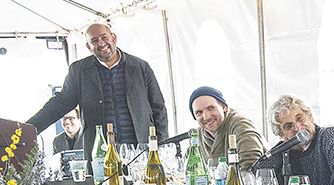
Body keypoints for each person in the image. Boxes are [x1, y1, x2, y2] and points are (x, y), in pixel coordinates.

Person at [28, 23, 167, 162]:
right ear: (89, 47)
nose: (101, 43)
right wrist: (28, 130)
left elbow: (158, 107)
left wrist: (163, 145)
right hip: (100, 153)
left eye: (104, 37)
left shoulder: (140, 67)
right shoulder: (78, 71)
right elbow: (59, 104)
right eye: (94, 41)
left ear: (114, 38)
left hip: (141, 149)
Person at [256, 95, 334, 185]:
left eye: (300, 118)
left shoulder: (331, 135)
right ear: (282, 135)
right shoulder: (285, 153)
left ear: (310, 117)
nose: (298, 128)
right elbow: (259, 181)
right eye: (289, 126)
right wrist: (282, 148)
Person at [189, 86, 269, 171]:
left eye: (211, 108)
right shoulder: (197, 136)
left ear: (224, 107)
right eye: (199, 113)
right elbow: (189, 168)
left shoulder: (240, 125)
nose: (206, 117)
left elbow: (250, 165)